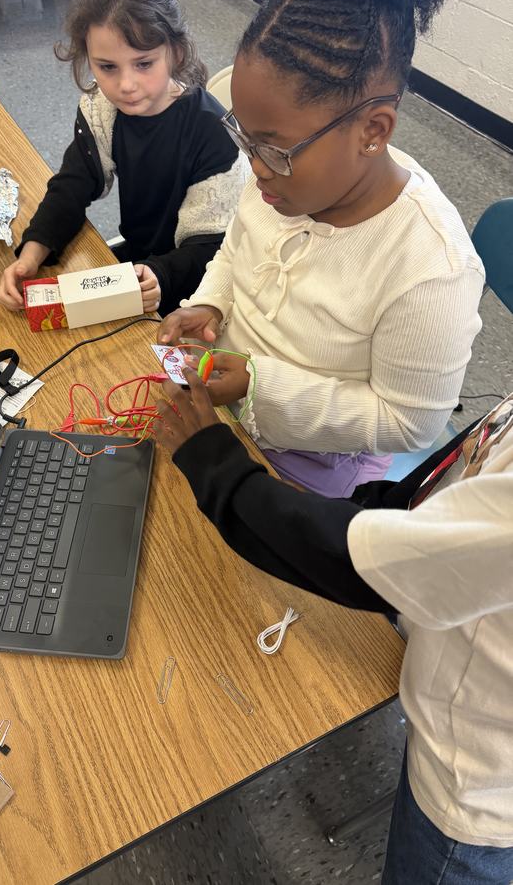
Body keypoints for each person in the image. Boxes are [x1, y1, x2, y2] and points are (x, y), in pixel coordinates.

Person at [156, 369, 513, 885]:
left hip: (475, 782)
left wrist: (217, 467)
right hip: (444, 635)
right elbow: (462, 484)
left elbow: (376, 568)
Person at [157, 0, 484, 498]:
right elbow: (236, 253)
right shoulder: (280, 180)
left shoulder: (430, 269)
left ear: (373, 131)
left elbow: (411, 423)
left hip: (319, 469)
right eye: (245, 138)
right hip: (226, 408)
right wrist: (211, 303)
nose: (255, 167)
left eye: (275, 150)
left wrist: (262, 387)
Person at [0, 0, 247, 318]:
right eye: (107, 67)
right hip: (140, 265)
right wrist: (31, 254)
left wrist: (160, 276)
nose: (125, 85)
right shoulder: (102, 107)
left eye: (144, 63)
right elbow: (73, 184)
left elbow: (213, 248)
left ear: (175, 52)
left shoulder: (213, 133)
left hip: (195, 293)